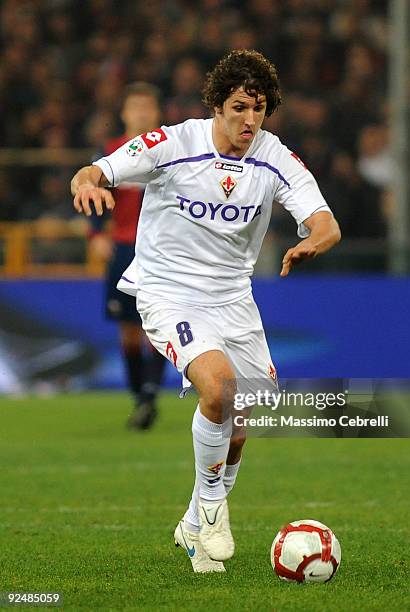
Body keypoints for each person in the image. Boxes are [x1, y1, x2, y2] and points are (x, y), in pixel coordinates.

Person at [71, 50, 341, 573]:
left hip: (234, 299)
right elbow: (96, 171)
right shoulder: (171, 143)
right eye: (239, 107)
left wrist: (315, 241)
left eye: (259, 109)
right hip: (167, 291)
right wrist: (86, 183)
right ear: (217, 105)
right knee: (218, 388)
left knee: (243, 419)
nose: (249, 120)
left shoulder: (274, 156)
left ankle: (194, 520)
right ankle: (215, 510)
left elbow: (325, 220)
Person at [88, 82, 167, 430]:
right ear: (124, 113)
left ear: (156, 113)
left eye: (147, 107)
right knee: (129, 331)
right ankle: (140, 397)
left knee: (156, 326)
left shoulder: (168, 151)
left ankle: (149, 398)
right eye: (134, 107)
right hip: (122, 246)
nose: (141, 113)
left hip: (160, 249)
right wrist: (95, 235)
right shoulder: (110, 152)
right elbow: (93, 192)